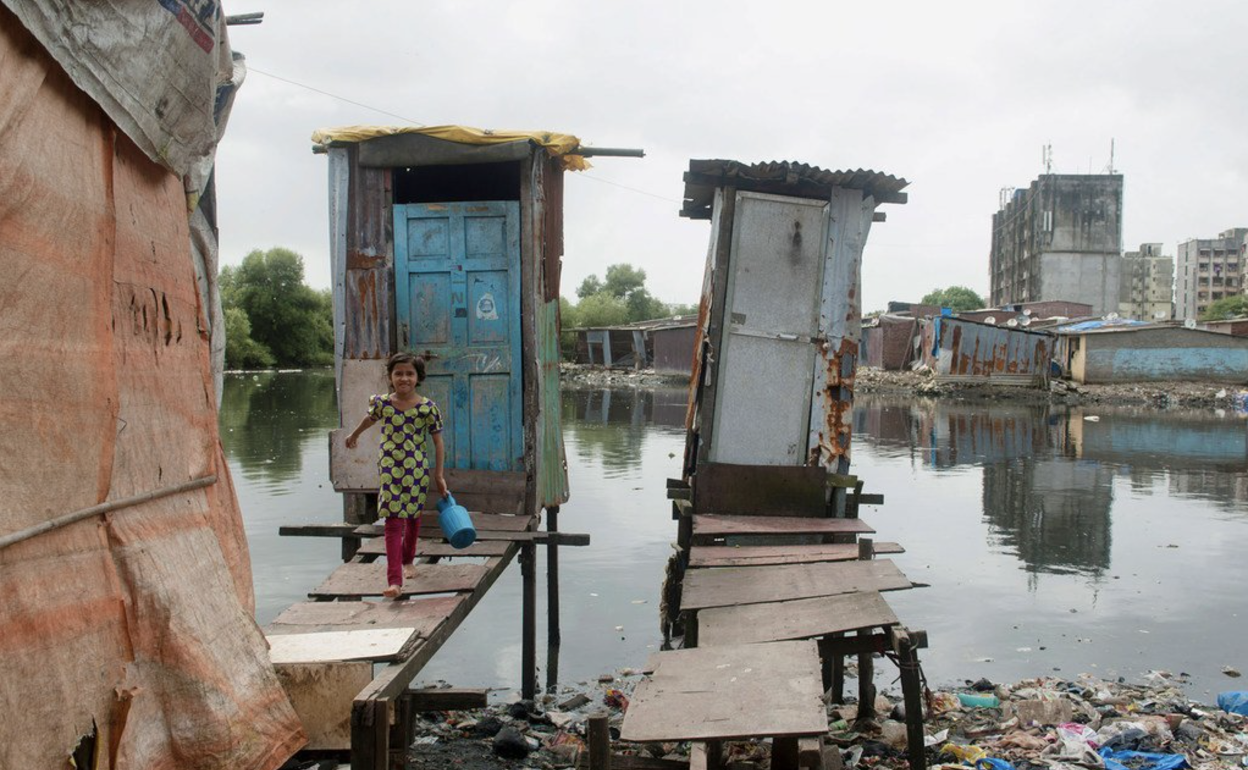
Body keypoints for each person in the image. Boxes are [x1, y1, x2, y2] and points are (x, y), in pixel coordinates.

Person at [345, 353, 447, 599]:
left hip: (416, 470)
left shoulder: (427, 408)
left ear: (418, 378)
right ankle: (394, 581)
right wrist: (354, 435)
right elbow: (369, 419)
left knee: (412, 517)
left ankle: (408, 559)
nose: (404, 378)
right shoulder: (382, 404)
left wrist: (439, 475)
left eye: (409, 374)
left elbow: (438, 442)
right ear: (390, 377)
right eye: (398, 373)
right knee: (392, 520)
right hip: (390, 468)